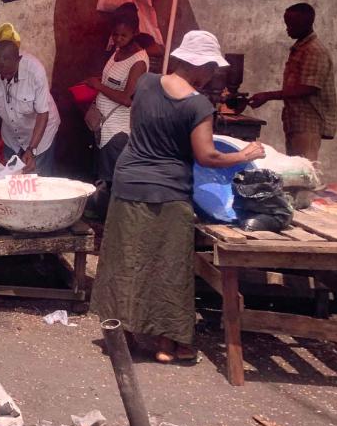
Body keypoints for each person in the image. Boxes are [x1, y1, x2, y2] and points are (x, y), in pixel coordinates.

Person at [91, 31, 264, 363]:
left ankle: (122, 334)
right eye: (212, 67)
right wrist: (244, 154)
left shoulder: (146, 84)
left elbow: (145, 126)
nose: (214, 74)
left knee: (125, 260)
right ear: (201, 67)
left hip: (128, 183)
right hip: (168, 191)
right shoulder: (198, 104)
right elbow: (207, 157)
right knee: (168, 266)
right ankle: (167, 344)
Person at [248, 3, 336, 161]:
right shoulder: (301, 48)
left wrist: (268, 96)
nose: (287, 29)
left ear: (305, 24)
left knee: (305, 172)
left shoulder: (314, 51)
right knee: (296, 171)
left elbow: (308, 87)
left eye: (292, 25)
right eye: (287, 24)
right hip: (296, 121)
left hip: (308, 122)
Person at [84, 14, 149, 218]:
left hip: (118, 128)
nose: (119, 39)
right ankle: (103, 214)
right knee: (102, 171)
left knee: (110, 176)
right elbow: (112, 81)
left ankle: (108, 219)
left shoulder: (139, 61)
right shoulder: (118, 51)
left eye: (124, 35)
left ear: (135, 34)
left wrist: (98, 86)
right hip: (104, 124)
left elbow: (128, 98)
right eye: (116, 35)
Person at [0, 39, 60, 175]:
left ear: (19, 59)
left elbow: (43, 114)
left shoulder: (35, 71)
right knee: (12, 181)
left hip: (40, 133)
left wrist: (32, 150)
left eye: (9, 73)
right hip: (12, 136)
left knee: (38, 180)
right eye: (0, 73)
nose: (5, 77)